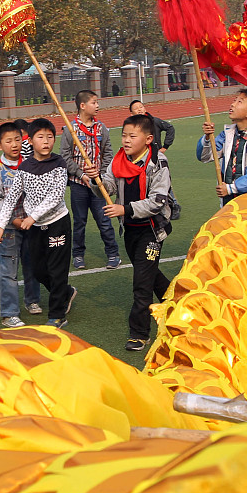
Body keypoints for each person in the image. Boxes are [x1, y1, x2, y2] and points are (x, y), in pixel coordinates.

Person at [0, 117, 77, 328]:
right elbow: (12, 197)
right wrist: (2, 225)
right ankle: (66, 292)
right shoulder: (25, 167)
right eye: (40, 137)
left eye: (50, 137)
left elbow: (56, 196)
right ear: (30, 141)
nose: (46, 141)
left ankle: (57, 315)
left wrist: (32, 217)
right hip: (35, 229)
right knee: (38, 270)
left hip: (57, 223)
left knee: (57, 270)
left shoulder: (59, 164)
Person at [102, 115, 173, 351]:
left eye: (132, 136)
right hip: (130, 228)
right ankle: (176, 301)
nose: (126, 140)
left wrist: (125, 209)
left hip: (152, 230)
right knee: (150, 274)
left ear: (148, 139)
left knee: (142, 282)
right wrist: (95, 180)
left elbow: (157, 201)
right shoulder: (119, 159)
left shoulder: (158, 162)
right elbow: (108, 186)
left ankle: (140, 333)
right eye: (124, 135)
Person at [0, 122, 42, 327]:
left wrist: (32, 218)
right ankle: (9, 313)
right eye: (8, 141)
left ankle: (32, 300)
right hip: (10, 230)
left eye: (18, 140)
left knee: (32, 264)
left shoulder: (30, 164)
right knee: (8, 270)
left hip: (31, 225)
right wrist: (13, 220)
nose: (14, 145)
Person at [60, 90, 119, 270]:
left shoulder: (101, 128)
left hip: (98, 184)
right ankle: (78, 255)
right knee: (79, 222)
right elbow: (65, 157)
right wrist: (81, 174)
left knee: (104, 220)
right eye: (94, 102)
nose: (97, 106)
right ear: (82, 105)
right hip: (78, 184)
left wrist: (100, 175)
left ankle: (113, 254)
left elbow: (107, 153)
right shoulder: (70, 129)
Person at [198, 88, 247, 206]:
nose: (233, 104)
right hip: (230, 202)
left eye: (239, 102)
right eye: (234, 100)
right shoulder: (227, 135)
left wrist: (231, 188)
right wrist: (207, 137)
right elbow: (204, 156)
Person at [130, 99, 181, 220]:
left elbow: (170, 128)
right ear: (131, 114)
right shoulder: (131, 126)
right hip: (140, 160)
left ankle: (174, 205)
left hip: (155, 158)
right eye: (136, 108)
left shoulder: (155, 121)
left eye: (141, 107)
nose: (139, 109)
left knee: (163, 181)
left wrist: (165, 146)